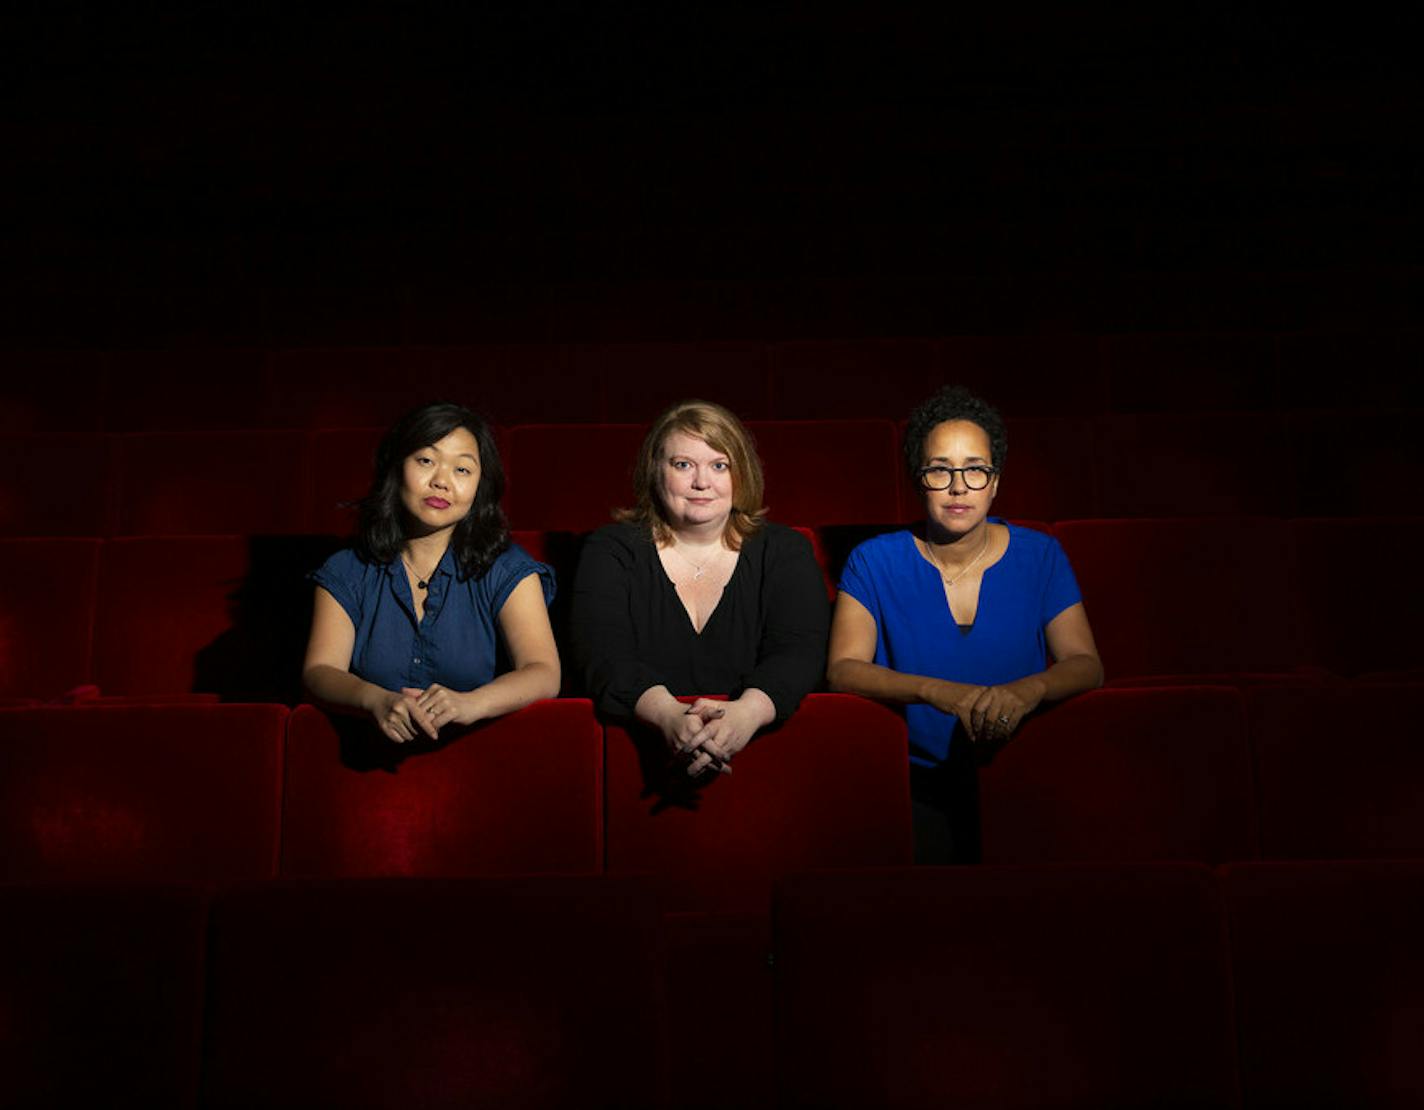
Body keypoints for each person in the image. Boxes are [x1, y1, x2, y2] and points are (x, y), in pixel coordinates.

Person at [827, 385, 1103, 862]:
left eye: (975, 470)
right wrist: (939, 692)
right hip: (911, 786)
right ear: (919, 480)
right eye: (940, 470)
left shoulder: (1041, 555)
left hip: (1024, 776)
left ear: (995, 482)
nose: (959, 487)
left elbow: (1086, 664)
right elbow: (843, 669)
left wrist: (1025, 691)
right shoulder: (873, 561)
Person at [569, 399, 829, 776]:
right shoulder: (611, 549)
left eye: (719, 465)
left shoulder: (785, 550)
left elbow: (800, 652)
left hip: (767, 760)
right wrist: (665, 714)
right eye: (683, 465)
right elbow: (600, 652)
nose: (702, 482)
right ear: (655, 472)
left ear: (741, 474)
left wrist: (748, 714)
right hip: (635, 762)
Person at [303, 401, 560, 743]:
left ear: (480, 486)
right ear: (396, 468)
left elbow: (543, 673)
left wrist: (470, 704)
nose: (441, 481)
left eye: (462, 470)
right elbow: (320, 671)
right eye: (426, 460)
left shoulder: (507, 567)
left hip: (484, 756)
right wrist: (375, 699)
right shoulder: (348, 569)